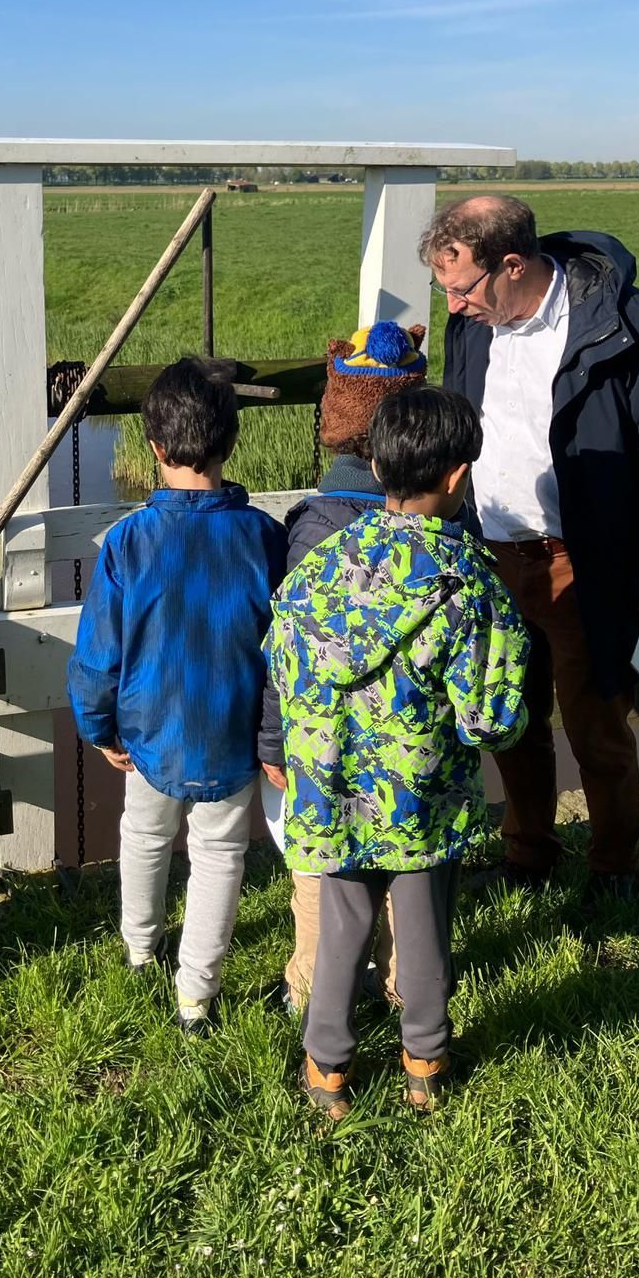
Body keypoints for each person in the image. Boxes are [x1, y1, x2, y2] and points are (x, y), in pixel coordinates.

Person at [420, 195, 639, 902]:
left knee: (596, 726)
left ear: (513, 264)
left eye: (462, 288)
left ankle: (614, 870)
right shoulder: (472, 327)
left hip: (583, 565)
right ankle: (528, 855)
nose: (453, 306)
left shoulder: (628, 322)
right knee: (510, 722)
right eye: (443, 289)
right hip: (491, 559)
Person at [267, 385, 529, 1116]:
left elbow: (282, 665)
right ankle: (425, 1066)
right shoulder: (470, 582)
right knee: (423, 934)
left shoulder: (318, 564)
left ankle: (327, 1072)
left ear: (377, 467)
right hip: (422, 801)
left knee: (341, 927)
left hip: (332, 789)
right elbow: (491, 719)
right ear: (458, 475)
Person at [67, 357, 287, 1036]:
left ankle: (141, 949)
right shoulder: (265, 538)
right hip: (232, 729)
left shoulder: (128, 541)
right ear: (231, 443)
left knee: (145, 834)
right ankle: (196, 994)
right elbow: (284, 649)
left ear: (155, 448)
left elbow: (98, 654)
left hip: (148, 729)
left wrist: (98, 726)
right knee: (220, 854)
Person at [257, 319, 428, 1014]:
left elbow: (289, 650)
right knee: (400, 869)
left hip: (325, 740)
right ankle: (401, 988)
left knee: (319, 874)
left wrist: (273, 739)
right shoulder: (445, 523)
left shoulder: (316, 526)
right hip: (408, 740)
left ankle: (310, 991)